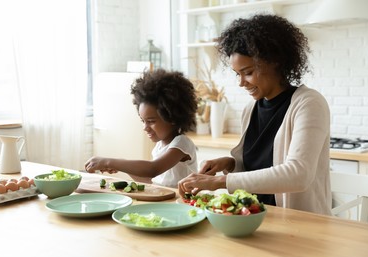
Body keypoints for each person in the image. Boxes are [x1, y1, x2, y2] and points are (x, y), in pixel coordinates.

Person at [178, 14, 332, 215]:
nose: (242, 82)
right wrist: (230, 164)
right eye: (238, 74)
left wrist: (218, 181)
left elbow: (298, 174)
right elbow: (255, 167)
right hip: (255, 217)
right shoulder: (251, 109)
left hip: (301, 223)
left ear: (275, 62)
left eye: (248, 72)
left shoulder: (309, 103)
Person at [85, 69, 198, 188]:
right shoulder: (160, 146)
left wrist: (109, 161)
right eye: (143, 121)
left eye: (151, 121)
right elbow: (150, 179)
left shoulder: (182, 144)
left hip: (182, 203)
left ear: (172, 118)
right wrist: (120, 167)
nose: (145, 127)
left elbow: (153, 169)